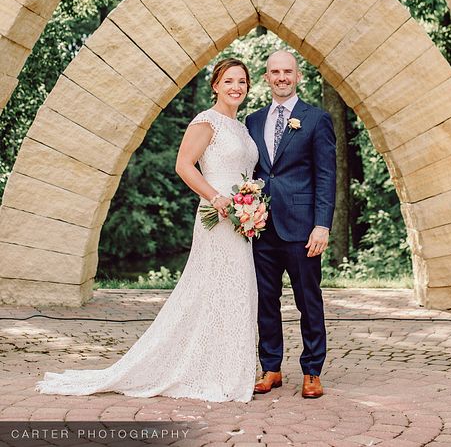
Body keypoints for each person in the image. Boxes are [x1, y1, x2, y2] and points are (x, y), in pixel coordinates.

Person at [35, 58, 259, 402]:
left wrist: (251, 205)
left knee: (234, 293)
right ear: (215, 85)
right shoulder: (206, 122)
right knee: (211, 289)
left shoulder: (241, 128)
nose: (236, 87)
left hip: (241, 223)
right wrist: (217, 198)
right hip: (216, 218)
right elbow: (184, 165)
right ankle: (200, 369)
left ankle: (225, 369)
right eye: (228, 81)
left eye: (241, 81)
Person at [246, 49, 336, 399]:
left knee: (308, 301)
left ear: (298, 76)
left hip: (302, 229)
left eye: (287, 72)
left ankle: (312, 371)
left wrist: (322, 225)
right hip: (261, 228)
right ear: (266, 77)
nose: (281, 77)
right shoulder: (253, 121)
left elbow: (326, 176)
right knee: (265, 301)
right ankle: (271, 368)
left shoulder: (317, 119)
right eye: (275, 72)